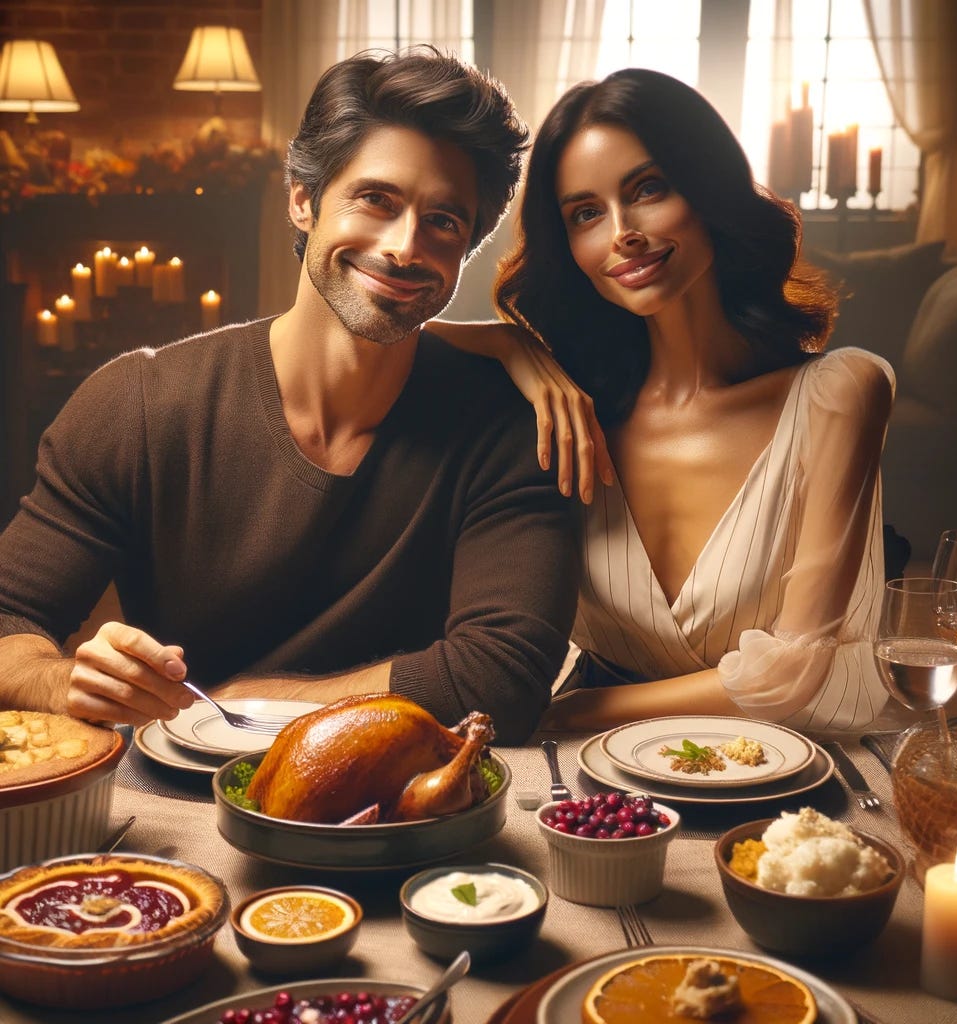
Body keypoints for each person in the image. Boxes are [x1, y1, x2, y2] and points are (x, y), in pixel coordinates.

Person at [0, 48, 580, 745]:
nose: (404, 246)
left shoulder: (511, 424)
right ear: (303, 200)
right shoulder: (138, 403)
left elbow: (500, 682)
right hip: (176, 803)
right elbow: (8, 618)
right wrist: (63, 681)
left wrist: (245, 704)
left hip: (403, 808)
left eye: (444, 221)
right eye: (376, 199)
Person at [434, 68, 893, 733]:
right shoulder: (571, 407)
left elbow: (793, 670)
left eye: (647, 189)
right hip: (583, 783)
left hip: (759, 770)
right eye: (586, 213)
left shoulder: (839, 395)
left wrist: (572, 710)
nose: (622, 232)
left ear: (707, 191)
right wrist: (513, 348)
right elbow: (383, 335)